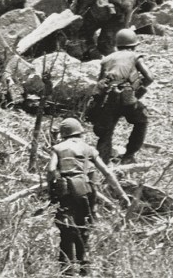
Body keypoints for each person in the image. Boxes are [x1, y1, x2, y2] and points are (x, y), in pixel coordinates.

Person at [46, 117, 131, 276]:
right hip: (87, 191)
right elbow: (107, 172)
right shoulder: (89, 149)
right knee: (84, 228)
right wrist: (122, 194)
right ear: (79, 132)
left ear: (64, 133)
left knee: (66, 230)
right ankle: (85, 268)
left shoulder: (58, 148)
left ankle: (67, 271)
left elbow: (51, 170)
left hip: (67, 192)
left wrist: (50, 187)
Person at [86, 28, 154, 165]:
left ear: (117, 45)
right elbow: (149, 77)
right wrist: (138, 90)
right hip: (127, 96)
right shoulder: (134, 56)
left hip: (108, 97)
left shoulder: (107, 59)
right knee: (141, 120)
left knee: (106, 131)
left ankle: (102, 163)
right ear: (134, 45)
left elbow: (100, 83)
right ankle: (129, 156)